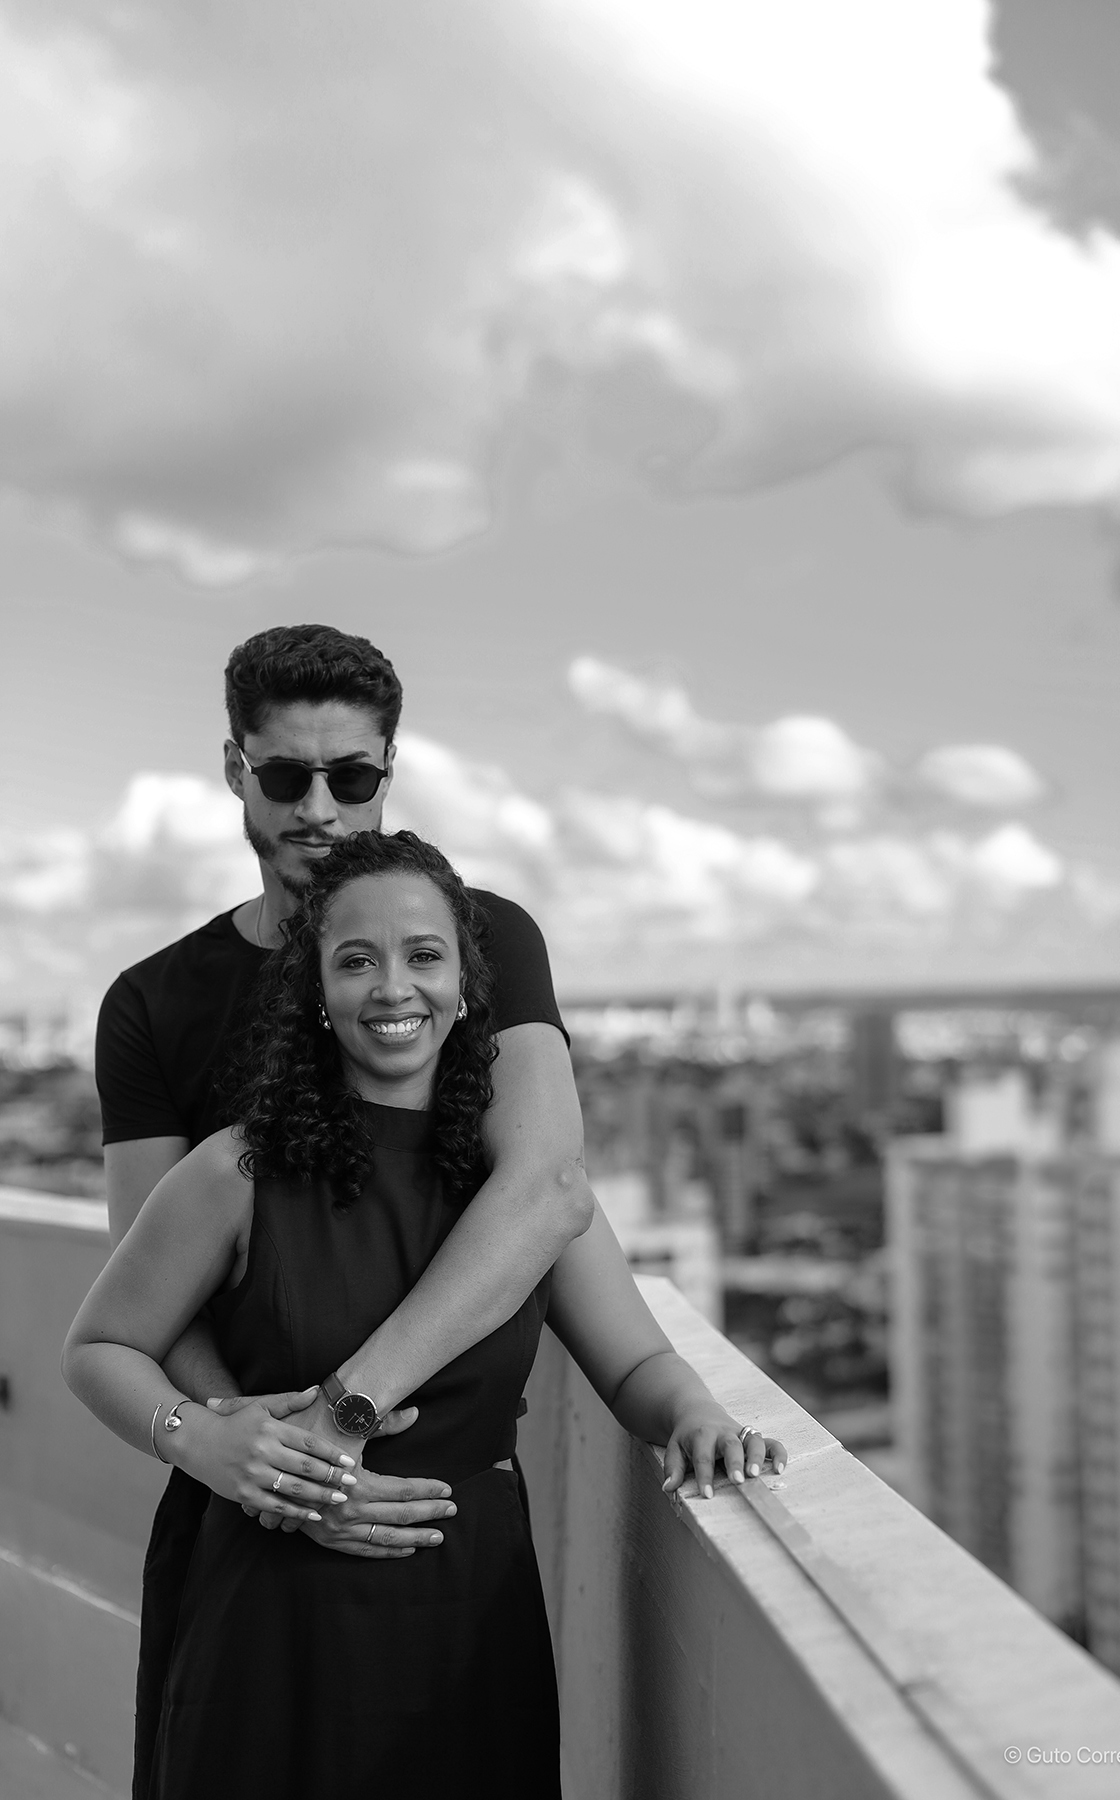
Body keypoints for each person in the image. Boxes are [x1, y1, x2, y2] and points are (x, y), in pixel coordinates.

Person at [65, 831, 786, 1797]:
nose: (394, 988)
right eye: (357, 961)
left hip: (467, 1613)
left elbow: (635, 1367)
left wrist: (696, 1415)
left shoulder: (517, 1197)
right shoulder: (237, 1169)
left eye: (424, 955)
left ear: (466, 986)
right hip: (272, 1616)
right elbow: (100, 1347)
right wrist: (198, 1440)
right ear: (316, 991)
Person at [94, 624, 594, 1795]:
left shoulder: (485, 938)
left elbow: (544, 1189)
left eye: (353, 775)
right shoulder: (152, 1003)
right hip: (249, 1516)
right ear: (235, 769)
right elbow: (149, 1290)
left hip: (430, 1526)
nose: (319, 808)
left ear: (388, 770)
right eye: (285, 774)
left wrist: (346, 1418)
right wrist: (278, 1470)